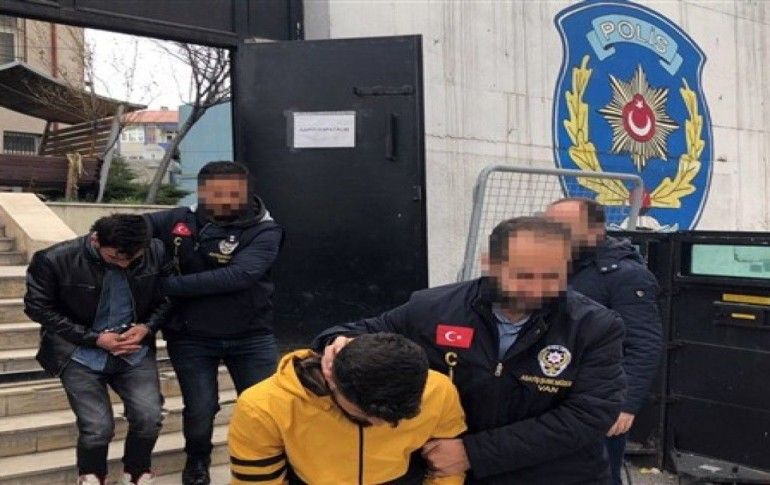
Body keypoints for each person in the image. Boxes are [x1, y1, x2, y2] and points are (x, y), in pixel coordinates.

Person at [314, 217, 625, 484]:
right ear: (490, 263)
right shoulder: (433, 309)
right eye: (523, 275)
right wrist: (338, 343)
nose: (537, 289)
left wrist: (473, 453)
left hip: (558, 476)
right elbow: (358, 331)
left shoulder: (593, 325)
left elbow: (589, 415)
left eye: (552, 276)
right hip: (456, 474)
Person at [145, 161, 284, 485]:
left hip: (251, 336)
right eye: (217, 194)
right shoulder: (178, 220)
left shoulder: (266, 230)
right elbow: (129, 230)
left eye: (234, 194)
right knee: (200, 408)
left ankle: (273, 463)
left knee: (265, 406)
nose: (226, 201)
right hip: (191, 336)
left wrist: (165, 286)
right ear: (202, 192)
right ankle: (197, 461)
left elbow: (239, 275)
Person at [24, 214, 171, 485]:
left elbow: (169, 296)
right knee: (97, 427)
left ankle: (137, 473)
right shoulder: (54, 259)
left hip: (133, 351)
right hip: (79, 353)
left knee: (149, 416)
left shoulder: (156, 251)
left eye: (132, 259)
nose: (124, 264)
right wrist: (94, 338)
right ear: (95, 240)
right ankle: (91, 477)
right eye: (115, 257)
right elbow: (37, 307)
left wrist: (147, 327)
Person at [229, 333, 467, 484]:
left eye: (398, 418)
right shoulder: (263, 406)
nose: (381, 425)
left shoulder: (438, 389)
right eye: (366, 414)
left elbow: (449, 468)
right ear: (331, 378)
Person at [546, 198, 663, 485]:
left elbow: (643, 343)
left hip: (597, 402)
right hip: (552, 394)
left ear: (593, 229)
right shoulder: (555, 267)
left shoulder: (626, 275)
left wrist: (625, 405)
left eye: (561, 226)